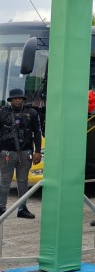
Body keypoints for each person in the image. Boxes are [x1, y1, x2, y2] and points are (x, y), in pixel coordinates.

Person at [0, 88, 42, 218]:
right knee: (5, 181)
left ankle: (22, 208)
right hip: (7, 152)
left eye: (20, 98)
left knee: (23, 181)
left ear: (23, 99)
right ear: (11, 99)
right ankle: (1, 208)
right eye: (15, 98)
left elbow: (37, 133)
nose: (18, 100)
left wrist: (37, 152)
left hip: (25, 152)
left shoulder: (32, 113)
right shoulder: (2, 112)